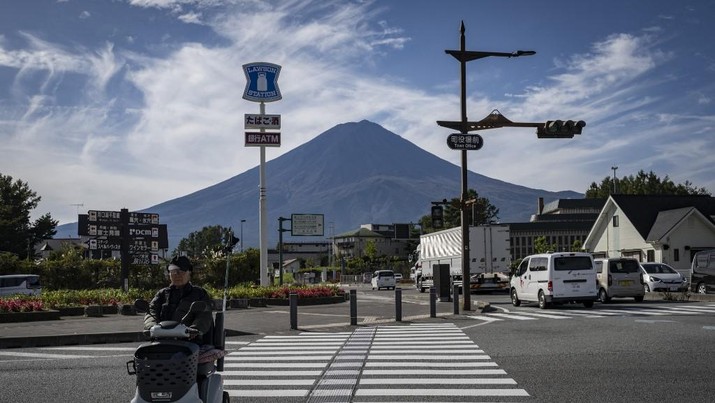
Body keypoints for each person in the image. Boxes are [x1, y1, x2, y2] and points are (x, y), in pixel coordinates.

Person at [144, 256, 214, 343]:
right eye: (173, 272)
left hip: (189, 342)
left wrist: (194, 329)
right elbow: (151, 311)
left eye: (182, 271)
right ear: (169, 274)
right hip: (162, 340)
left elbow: (204, 315)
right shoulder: (162, 294)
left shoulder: (199, 293)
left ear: (189, 273)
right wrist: (151, 326)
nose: (177, 275)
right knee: (142, 354)